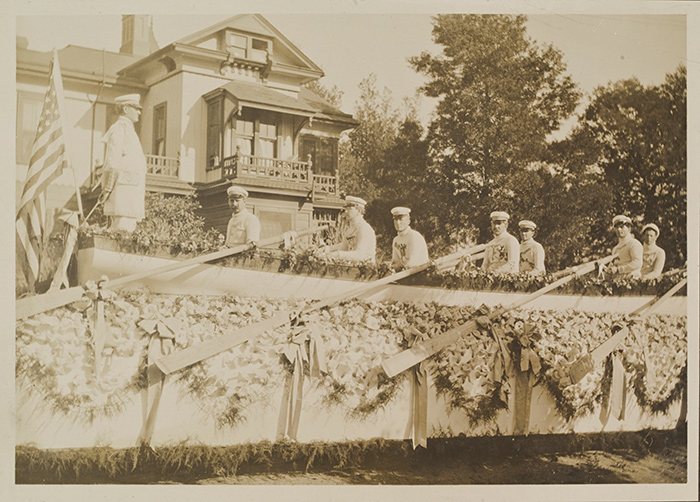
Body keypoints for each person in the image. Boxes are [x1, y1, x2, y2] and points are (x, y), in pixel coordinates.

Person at [99, 94, 147, 231]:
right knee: (121, 229)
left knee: (128, 229)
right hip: (122, 193)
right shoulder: (119, 128)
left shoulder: (129, 130)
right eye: (136, 108)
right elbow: (112, 161)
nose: (139, 112)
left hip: (131, 193)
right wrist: (107, 188)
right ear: (125, 109)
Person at [326, 196, 376, 264]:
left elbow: (360, 255)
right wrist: (328, 250)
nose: (346, 211)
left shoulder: (364, 228)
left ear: (358, 210)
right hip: (351, 267)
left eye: (349, 208)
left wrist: (337, 254)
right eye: (346, 208)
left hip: (366, 269)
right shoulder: (349, 230)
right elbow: (343, 249)